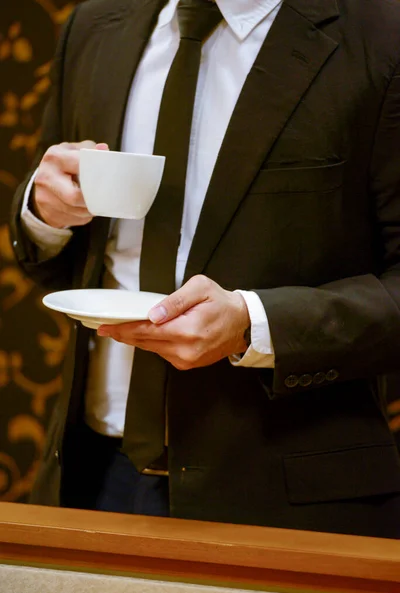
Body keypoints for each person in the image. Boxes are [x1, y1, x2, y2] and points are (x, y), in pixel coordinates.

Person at [9, 0, 400, 538]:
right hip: (91, 476)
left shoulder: (382, 35)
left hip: (284, 501)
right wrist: (43, 211)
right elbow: (68, 254)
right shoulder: (96, 23)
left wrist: (254, 321)